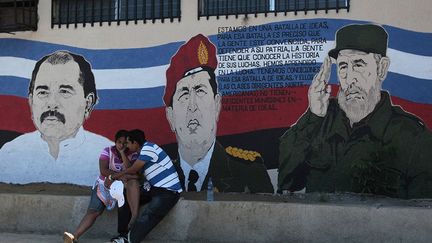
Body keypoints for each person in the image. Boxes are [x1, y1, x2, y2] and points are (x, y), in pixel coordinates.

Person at [278, 24, 432, 199]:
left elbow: (422, 216)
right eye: (343, 66)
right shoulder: (321, 121)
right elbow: (286, 180)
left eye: (359, 65)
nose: (349, 78)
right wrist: (313, 115)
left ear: (381, 68)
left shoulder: (412, 136)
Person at [164, 34, 273, 193]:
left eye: (200, 91)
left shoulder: (249, 169)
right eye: (184, 94)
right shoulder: (164, 174)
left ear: (216, 105)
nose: (192, 106)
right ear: (170, 116)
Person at [0, 50, 112, 186]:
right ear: (31, 100)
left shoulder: (108, 154)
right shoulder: (10, 153)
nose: (51, 103)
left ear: (87, 103)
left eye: (64, 91)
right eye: (42, 92)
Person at [63, 130, 142, 243]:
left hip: (123, 189)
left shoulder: (133, 154)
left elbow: (132, 171)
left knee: (126, 206)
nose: (122, 145)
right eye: (119, 142)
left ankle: (124, 237)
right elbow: (103, 170)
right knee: (94, 211)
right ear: (115, 142)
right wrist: (119, 177)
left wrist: (123, 154)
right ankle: (74, 237)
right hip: (104, 185)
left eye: (125, 143)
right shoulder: (107, 151)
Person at [110, 129, 182, 243]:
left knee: (149, 215)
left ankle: (129, 240)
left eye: (128, 143)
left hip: (168, 191)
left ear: (135, 143)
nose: (126, 145)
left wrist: (114, 176)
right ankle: (123, 234)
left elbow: (133, 169)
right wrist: (123, 153)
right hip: (154, 189)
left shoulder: (149, 148)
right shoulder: (143, 152)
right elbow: (135, 173)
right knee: (124, 198)